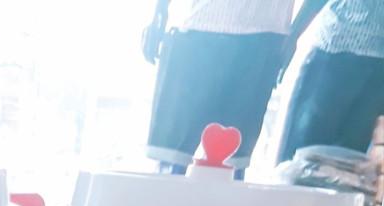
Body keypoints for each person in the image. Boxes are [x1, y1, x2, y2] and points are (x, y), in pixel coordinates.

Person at [142, 0, 296, 175]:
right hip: (198, 26)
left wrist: (294, 34)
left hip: (265, 34)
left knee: (231, 162)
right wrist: (159, 11)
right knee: (170, 157)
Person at [276, 0, 384, 163]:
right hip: (339, 52)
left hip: (365, 65)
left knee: (342, 168)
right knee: (303, 159)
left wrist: (292, 36)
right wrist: (292, 36)